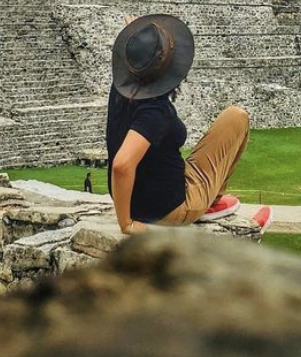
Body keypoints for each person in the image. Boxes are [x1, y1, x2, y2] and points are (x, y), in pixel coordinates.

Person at [107, 14, 270, 233]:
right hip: (170, 208)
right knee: (237, 117)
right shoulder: (155, 111)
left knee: (229, 120)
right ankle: (210, 201)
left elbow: (136, 59)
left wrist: (139, 39)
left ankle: (208, 197)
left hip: (137, 197)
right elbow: (122, 164)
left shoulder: (122, 87)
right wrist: (126, 224)